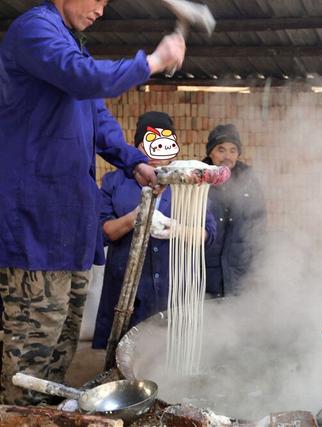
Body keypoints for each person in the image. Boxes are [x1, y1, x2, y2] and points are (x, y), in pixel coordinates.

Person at [0, 0, 186, 404]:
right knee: (30, 349)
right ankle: (17, 414)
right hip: (35, 224)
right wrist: (151, 61)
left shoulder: (70, 44)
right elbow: (83, 79)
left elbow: (98, 119)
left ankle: (48, 412)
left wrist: (135, 162)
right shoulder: (36, 31)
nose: (101, 11)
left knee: (62, 343)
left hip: (68, 227)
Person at [92, 112, 216, 349]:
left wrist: (177, 229)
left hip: (172, 286)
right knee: (122, 353)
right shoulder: (115, 182)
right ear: (135, 147)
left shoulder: (187, 184)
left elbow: (207, 234)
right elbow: (104, 232)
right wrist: (135, 218)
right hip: (126, 289)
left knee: (170, 351)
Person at [201, 124, 266, 298]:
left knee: (235, 321)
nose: (227, 156)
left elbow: (258, 226)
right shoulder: (198, 180)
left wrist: (258, 268)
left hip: (240, 273)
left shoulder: (249, 181)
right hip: (204, 275)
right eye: (221, 150)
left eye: (232, 150)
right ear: (210, 152)